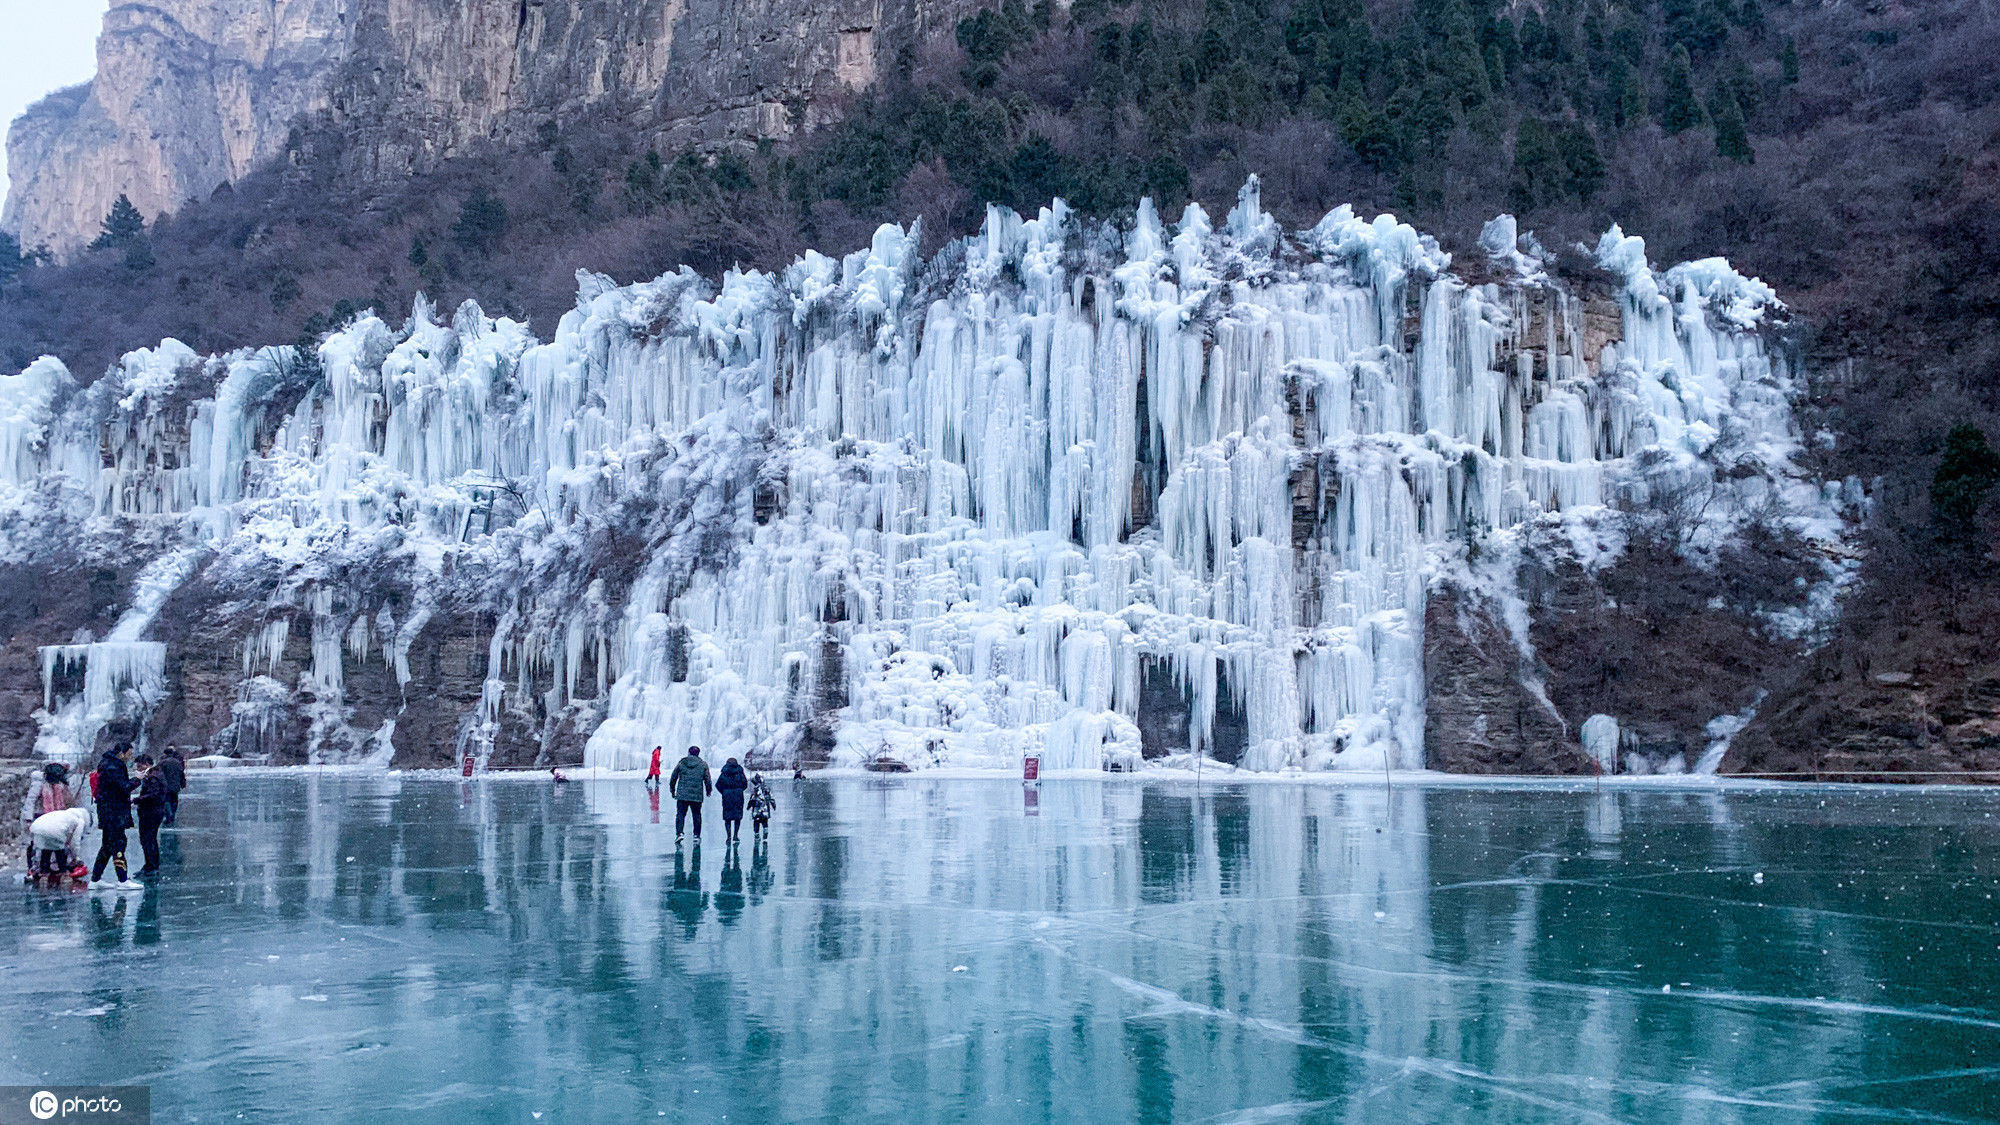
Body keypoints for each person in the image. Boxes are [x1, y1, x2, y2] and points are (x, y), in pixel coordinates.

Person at [90, 743, 144, 890]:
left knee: (107, 845)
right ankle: (123, 880)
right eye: (129, 754)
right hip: (114, 812)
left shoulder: (106, 763)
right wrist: (137, 779)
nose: (130, 757)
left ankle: (95, 879)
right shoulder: (115, 766)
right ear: (122, 753)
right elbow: (124, 787)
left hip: (107, 811)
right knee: (118, 844)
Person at [20, 762, 73, 868]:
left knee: (51, 842)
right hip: (36, 815)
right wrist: (28, 820)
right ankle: (32, 867)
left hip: (49, 816)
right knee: (33, 843)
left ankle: (50, 866)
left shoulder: (58, 783)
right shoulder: (38, 784)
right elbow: (30, 802)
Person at [28, 806, 90, 886]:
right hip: (54, 831)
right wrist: (76, 858)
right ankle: (63, 874)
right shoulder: (79, 821)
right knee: (59, 849)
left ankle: (44, 874)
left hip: (36, 826)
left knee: (46, 848)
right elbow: (74, 843)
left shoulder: (61, 815)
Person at [133, 753, 170, 876]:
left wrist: (138, 799)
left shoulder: (152, 777)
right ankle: (151, 864)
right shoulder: (157, 774)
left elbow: (153, 795)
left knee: (147, 839)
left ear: (146, 765)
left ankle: (151, 865)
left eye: (139, 767)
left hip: (150, 812)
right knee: (150, 839)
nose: (138, 770)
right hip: (155, 811)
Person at [668, 746, 711, 841]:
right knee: (696, 815)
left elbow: (673, 777)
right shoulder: (703, 764)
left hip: (682, 794)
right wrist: (708, 790)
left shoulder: (682, 763)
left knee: (680, 814)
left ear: (689, 752)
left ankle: (679, 833)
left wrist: (672, 790)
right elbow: (707, 779)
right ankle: (696, 835)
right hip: (696, 795)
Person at [716, 757, 748, 842]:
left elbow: (718, 784)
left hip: (727, 795)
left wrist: (724, 792)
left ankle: (728, 836)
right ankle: (736, 835)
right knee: (738, 816)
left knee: (727, 816)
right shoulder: (740, 772)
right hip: (738, 795)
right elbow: (745, 783)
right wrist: (739, 790)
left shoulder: (724, 772)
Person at [159, 747, 187, 825]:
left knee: (166, 800)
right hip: (175, 785)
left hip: (166, 785)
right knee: (174, 801)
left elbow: (159, 774)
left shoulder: (162, 763)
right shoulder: (177, 762)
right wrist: (182, 783)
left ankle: (169, 814)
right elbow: (182, 773)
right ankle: (173, 815)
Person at [748, 773, 775, 838]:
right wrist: (773, 805)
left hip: (756, 811)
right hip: (765, 810)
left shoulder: (755, 790)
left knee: (756, 823)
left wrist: (748, 806)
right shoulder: (766, 789)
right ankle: (765, 835)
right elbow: (771, 798)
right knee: (765, 823)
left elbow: (752, 800)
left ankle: (756, 834)